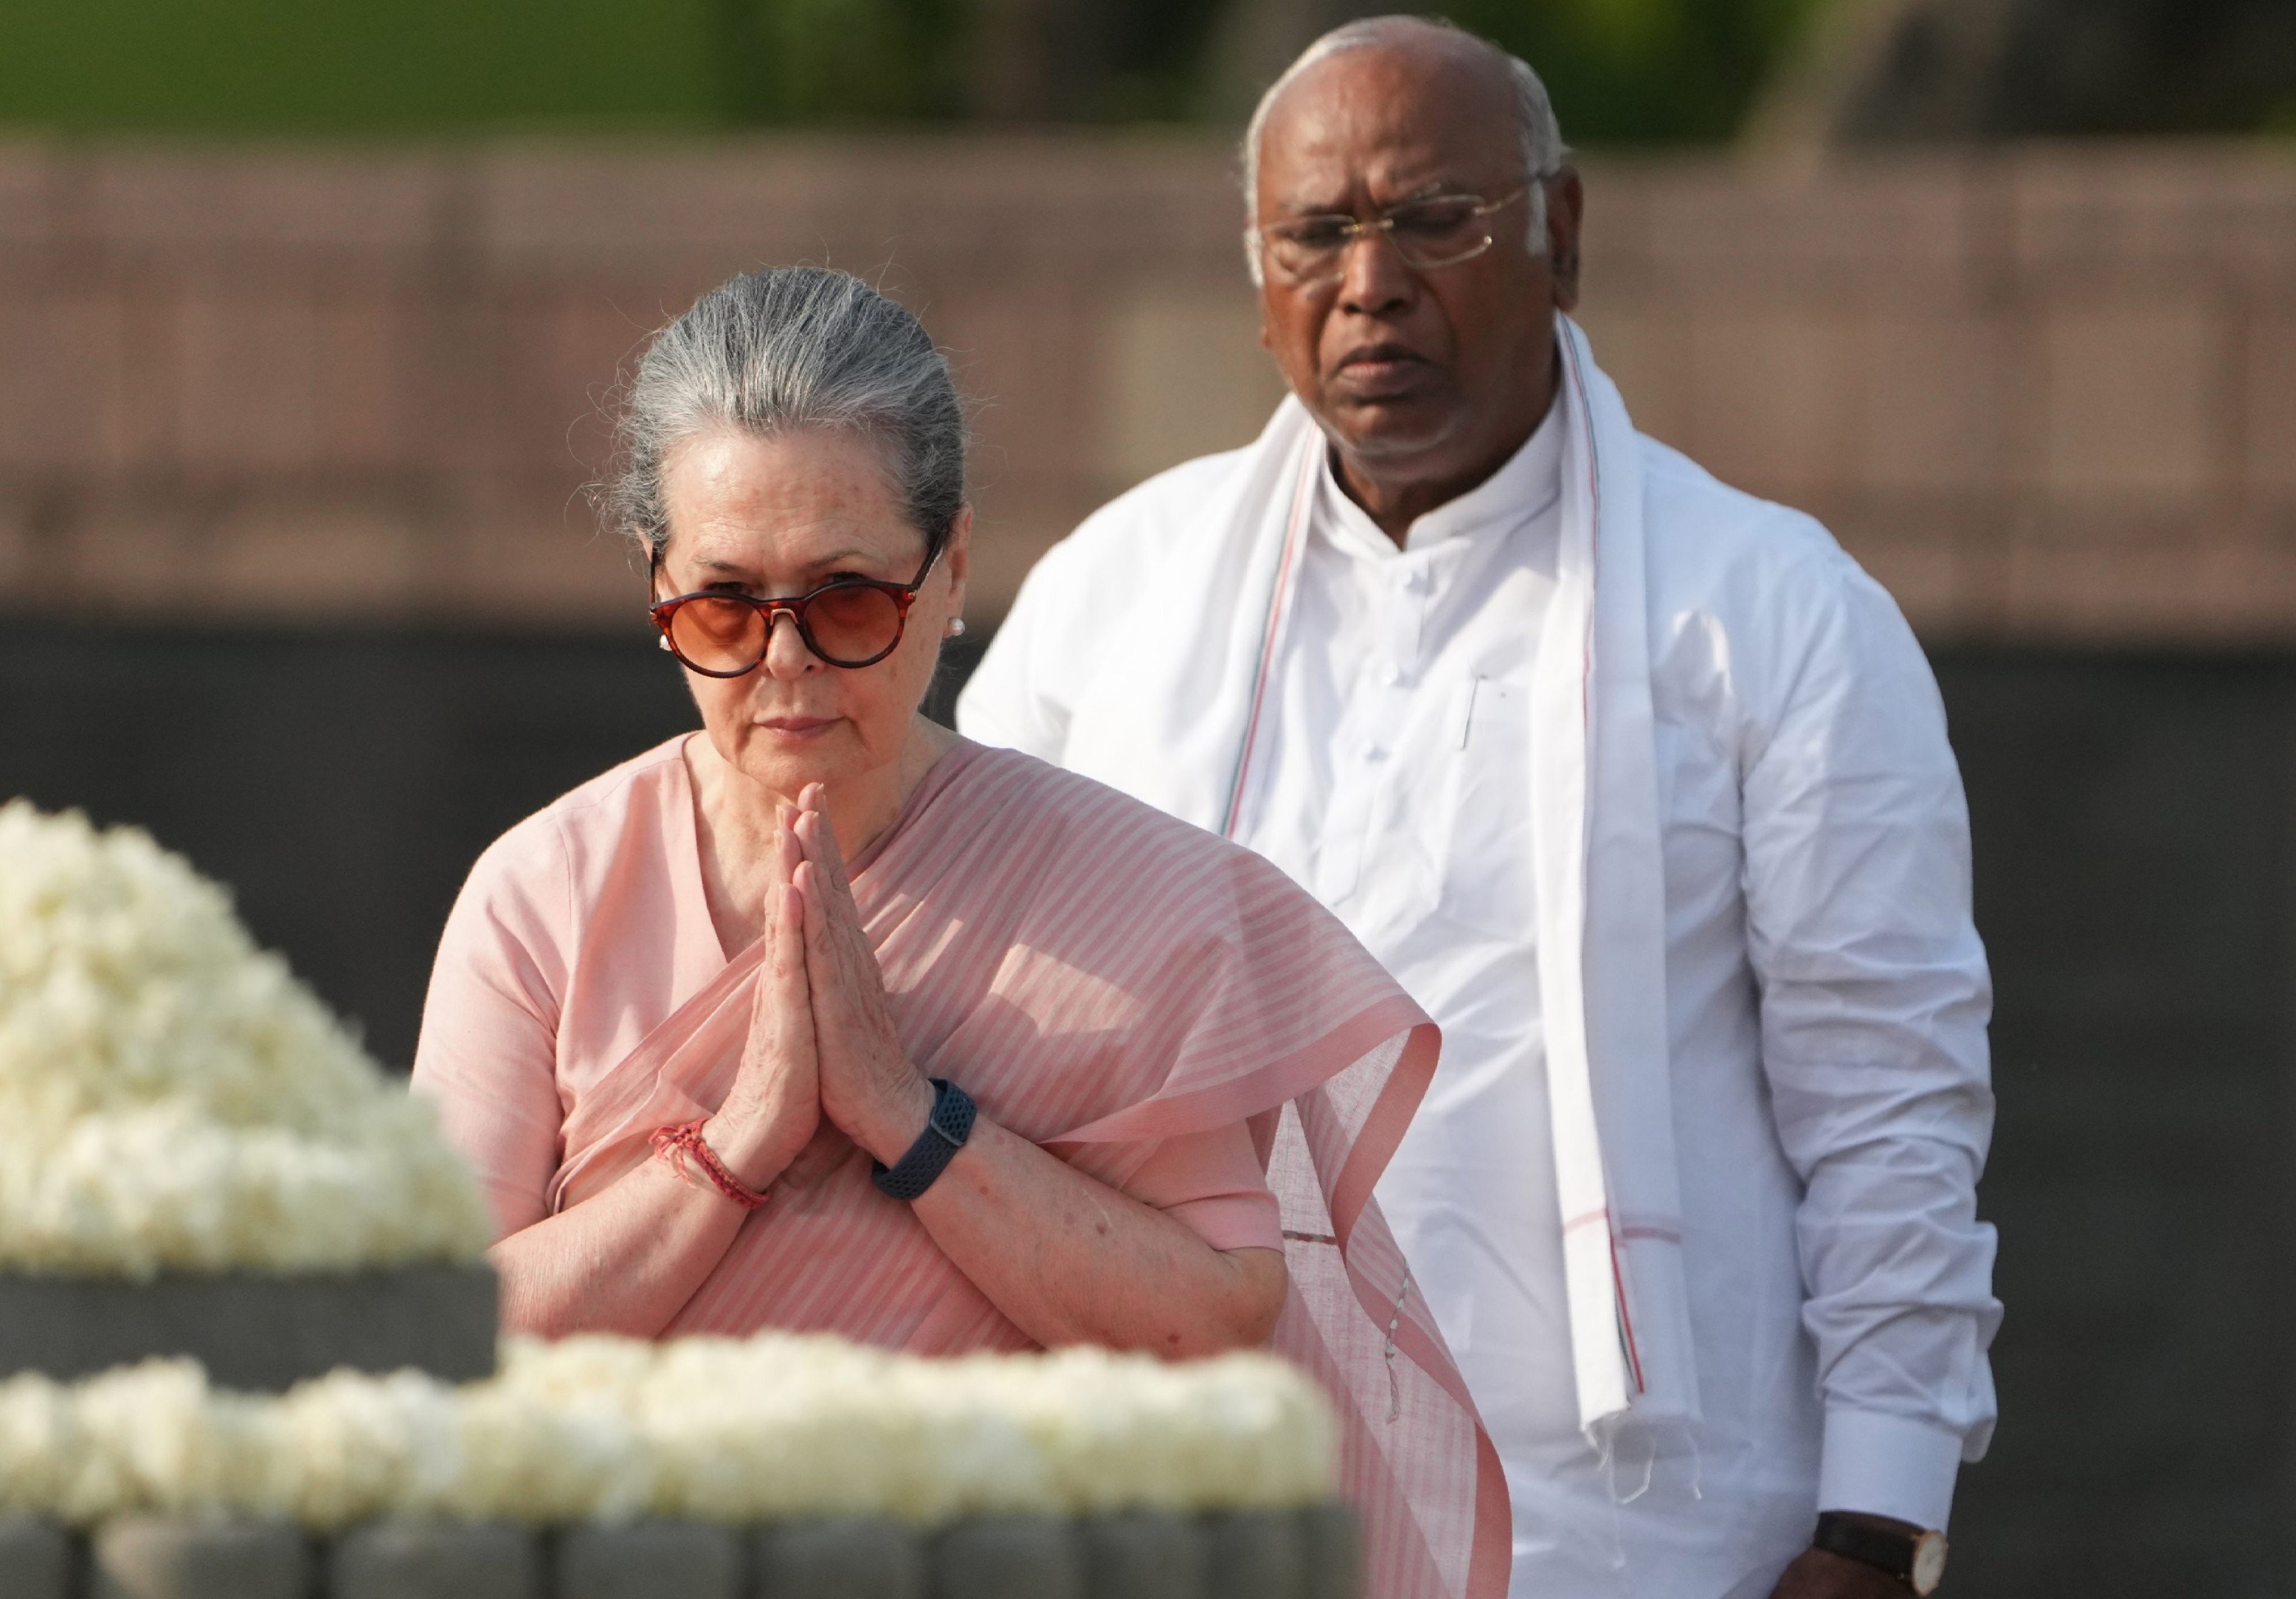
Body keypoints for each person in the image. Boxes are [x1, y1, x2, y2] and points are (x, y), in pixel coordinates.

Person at [959, 19, 1997, 1599]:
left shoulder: (1770, 613)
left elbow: (1890, 1104)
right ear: (1260, 286)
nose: (1369, 281)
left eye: (1432, 219)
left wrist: (1876, 1526)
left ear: (1559, 235)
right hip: (1192, 1509)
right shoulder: (1117, 599)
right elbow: (974, 1049)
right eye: (1315, 232)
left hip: (1636, 1531)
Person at [413, 265, 1508, 1598]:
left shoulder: (1115, 893)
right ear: (658, 595)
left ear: (953, 572)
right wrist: (738, 1147)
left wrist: (906, 1117)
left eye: (848, 600)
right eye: (723, 609)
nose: (787, 665)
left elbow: (1218, 1321)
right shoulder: (545, 895)